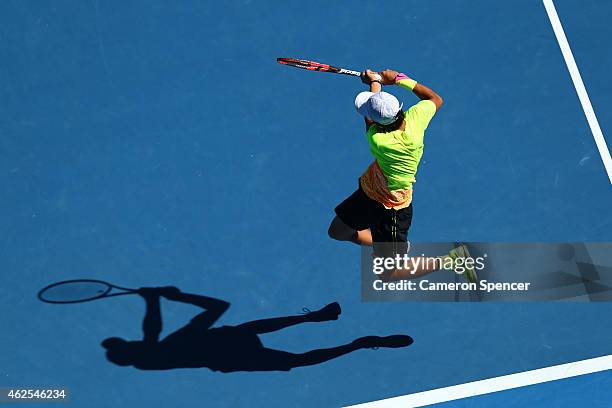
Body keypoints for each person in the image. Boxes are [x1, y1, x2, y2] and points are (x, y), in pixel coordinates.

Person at [328, 68, 476, 283]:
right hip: (369, 193)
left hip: (392, 210)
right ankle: (390, 245)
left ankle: (453, 259)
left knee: (388, 275)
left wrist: (375, 82)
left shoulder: (379, 141)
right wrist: (398, 79)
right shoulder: (416, 120)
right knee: (338, 232)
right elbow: (435, 98)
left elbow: (371, 117)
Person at [101, 287, 413, 372]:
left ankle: (320, 322)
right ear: (130, 352)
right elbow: (152, 333)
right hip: (224, 355)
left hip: (224, 357)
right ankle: (357, 342)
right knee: (294, 359)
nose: (130, 345)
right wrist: (163, 297)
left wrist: (160, 298)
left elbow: (217, 306)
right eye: (125, 347)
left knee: (293, 358)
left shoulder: (163, 348)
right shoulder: (151, 357)